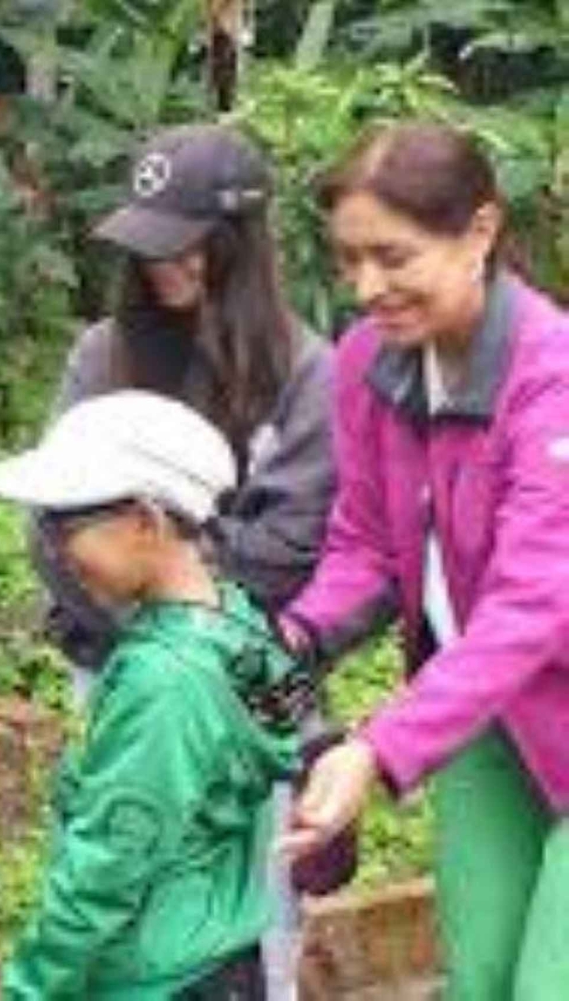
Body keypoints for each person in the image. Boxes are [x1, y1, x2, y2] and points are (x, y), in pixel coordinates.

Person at [35, 124, 335, 997]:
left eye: (188, 245)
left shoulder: (304, 371)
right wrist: (162, 606)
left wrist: (176, 610)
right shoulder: (104, 355)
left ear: (242, 242)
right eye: (150, 246)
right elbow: (53, 526)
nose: (164, 265)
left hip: (246, 681)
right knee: (111, 870)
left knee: (251, 911)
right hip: (110, 666)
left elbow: (289, 551)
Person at [277, 123, 569, 999]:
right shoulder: (371, 361)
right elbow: (366, 544)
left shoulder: (552, 377)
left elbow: (531, 603)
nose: (368, 287)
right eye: (349, 259)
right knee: (479, 977)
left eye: (393, 256)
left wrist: (378, 746)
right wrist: (289, 638)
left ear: (480, 231)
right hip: (486, 714)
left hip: (528, 672)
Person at [0, 390, 308, 999]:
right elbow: (291, 725)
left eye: (64, 525)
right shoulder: (235, 620)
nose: (53, 549)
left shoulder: (163, 683)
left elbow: (108, 864)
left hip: (154, 980)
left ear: (146, 521)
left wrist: (29, 988)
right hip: (223, 958)